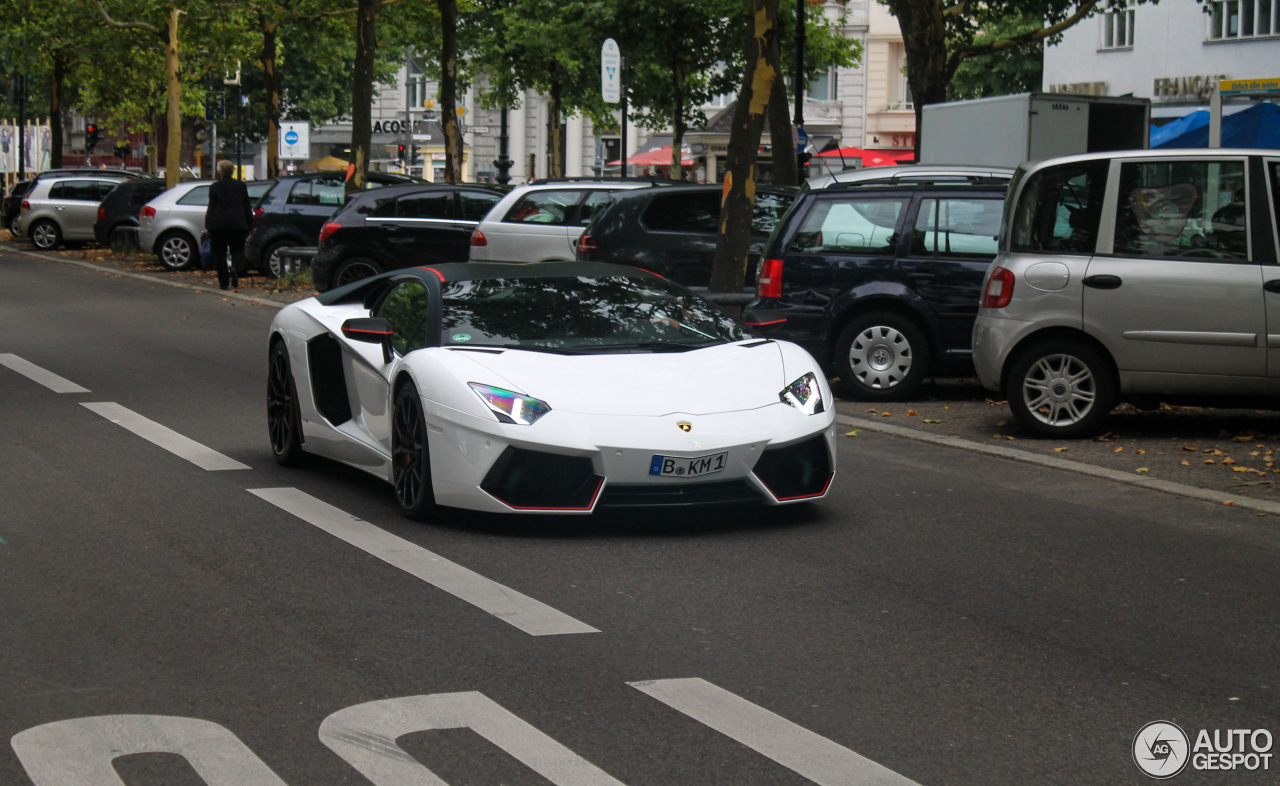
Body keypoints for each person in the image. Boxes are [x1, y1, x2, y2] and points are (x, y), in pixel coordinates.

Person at [205, 159, 254, 290]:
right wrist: (251, 225)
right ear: (232, 171)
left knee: (219, 254)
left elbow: (212, 208)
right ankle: (235, 269)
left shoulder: (214, 187)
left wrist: (208, 225)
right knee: (238, 250)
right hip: (237, 224)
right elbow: (246, 207)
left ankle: (223, 281)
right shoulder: (241, 186)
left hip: (218, 225)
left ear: (219, 171)